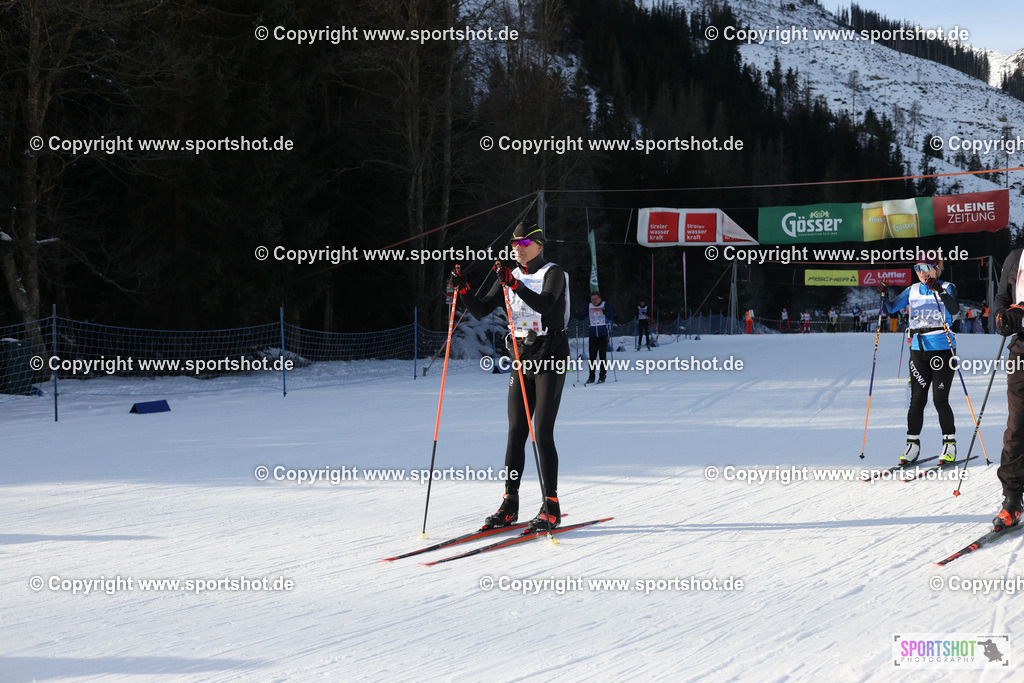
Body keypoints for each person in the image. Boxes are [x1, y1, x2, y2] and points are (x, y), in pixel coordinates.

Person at [448, 223, 570, 532]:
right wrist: (462, 289)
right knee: (516, 430)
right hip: (522, 356)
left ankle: (551, 506)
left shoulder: (553, 273)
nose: (517, 246)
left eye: (524, 241)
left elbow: (545, 305)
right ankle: (510, 503)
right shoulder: (509, 274)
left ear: (539, 245)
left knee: (541, 431)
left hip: (551, 354)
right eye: (514, 241)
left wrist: (513, 285)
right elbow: (480, 310)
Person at [878, 257, 959, 466]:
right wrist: (884, 294)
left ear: (935, 269)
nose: (921, 273)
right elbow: (890, 309)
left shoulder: (948, 287)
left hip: (942, 350)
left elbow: (954, 309)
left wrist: (938, 290)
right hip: (918, 350)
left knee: (940, 400)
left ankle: (949, 444)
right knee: (916, 400)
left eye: (925, 268)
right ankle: (912, 445)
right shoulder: (912, 290)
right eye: (917, 269)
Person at [990, 248, 1024, 530]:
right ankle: (1012, 501)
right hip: (1021, 352)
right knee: (1017, 425)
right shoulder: (1015, 257)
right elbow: (1002, 298)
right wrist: (1004, 317)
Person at [578, 291, 614, 384]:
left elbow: (611, 316)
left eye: (595, 299)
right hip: (593, 335)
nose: (594, 301)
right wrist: (577, 315)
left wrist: (607, 313)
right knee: (592, 357)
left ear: (600, 299)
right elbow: (582, 316)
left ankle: (602, 375)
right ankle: (591, 377)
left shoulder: (605, 305)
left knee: (602, 356)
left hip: (603, 335)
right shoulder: (589, 306)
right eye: (592, 299)